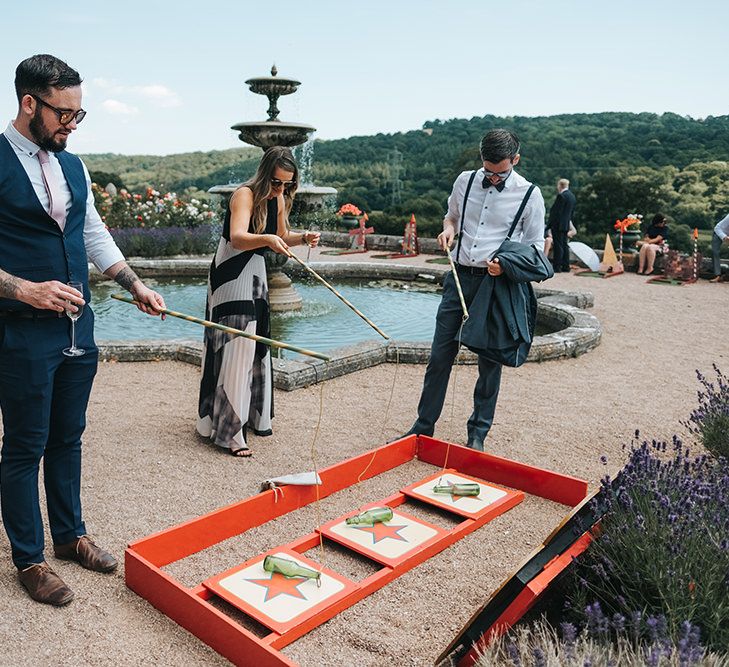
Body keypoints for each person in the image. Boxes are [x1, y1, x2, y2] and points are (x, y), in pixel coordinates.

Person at [0, 54, 166, 606]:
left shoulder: (75, 165)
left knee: (68, 437)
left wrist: (133, 282)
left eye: (79, 113)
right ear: (30, 103)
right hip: (20, 332)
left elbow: (92, 233)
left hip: (77, 328)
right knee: (24, 446)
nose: (72, 123)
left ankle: (70, 537)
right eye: (64, 114)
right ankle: (29, 559)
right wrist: (24, 289)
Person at [404, 129, 546, 451]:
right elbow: (451, 217)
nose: (493, 177)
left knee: (489, 362)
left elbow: (536, 247)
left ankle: (477, 434)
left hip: (495, 284)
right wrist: (447, 231)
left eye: (500, 171)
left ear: (516, 160)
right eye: (488, 170)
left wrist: (506, 265)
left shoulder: (530, 194)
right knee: (440, 355)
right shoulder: (465, 181)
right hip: (458, 278)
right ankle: (422, 427)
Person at [197, 147, 320, 457]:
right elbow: (238, 237)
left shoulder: (277, 198)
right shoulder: (244, 195)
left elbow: (281, 235)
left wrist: (302, 237)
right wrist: (267, 241)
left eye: (287, 185)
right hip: (230, 272)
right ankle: (230, 432)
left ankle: (250, 416)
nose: (281, 190)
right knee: (239, 343)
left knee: (254, 344)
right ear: (265, 174)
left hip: (255, 272)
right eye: (277, 183)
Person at [546, 178, 577, 272]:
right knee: (564, 245)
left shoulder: (561, 196)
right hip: (566, 224)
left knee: (558, 246)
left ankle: (557, 267)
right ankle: (566, 266)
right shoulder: (572, 196)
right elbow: (571, 213)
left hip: (558, 225)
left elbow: (555, 212)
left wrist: (549, 225)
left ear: (560, 186)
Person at [709, 213, 729, 282]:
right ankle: (717, 275)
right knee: (715, 252)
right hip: (719, 232)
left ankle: (726, 276)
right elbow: (717, 228)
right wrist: (725, 237)